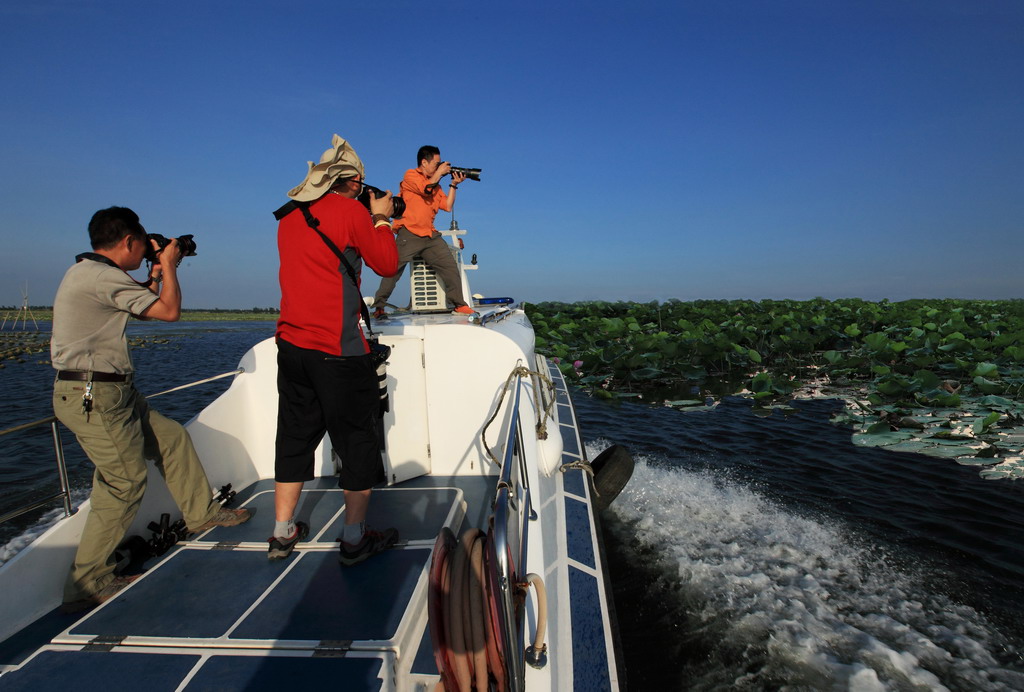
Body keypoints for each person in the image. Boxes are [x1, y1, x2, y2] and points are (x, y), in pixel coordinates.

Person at [51, 207, 251, 613]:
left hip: (114, 391)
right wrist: (170, 266)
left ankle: (201, 514)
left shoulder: (90, 272)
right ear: (128, 242)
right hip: (96, 395)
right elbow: (168, 311)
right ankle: (87, 582)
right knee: (124, 482)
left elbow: (137, 298)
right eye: (142, 246)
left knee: (173, 439)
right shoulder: (101, 276)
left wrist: (156, 271)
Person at [271, 134, 400, 565]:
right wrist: (380, 219)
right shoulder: (350, 211)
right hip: (338, 349)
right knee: (357, 442)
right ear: (356, 183)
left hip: (291, 346)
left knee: (293, 438)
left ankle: (282, 531)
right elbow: (385, 263)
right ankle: (354, 537)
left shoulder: (288, 217)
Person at [370, 145, 475, 318]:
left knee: (450, 267)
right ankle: (379, 306)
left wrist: (454, 185)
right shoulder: (410, 175)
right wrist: (439, 173)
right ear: (424, 162)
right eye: (436, 163)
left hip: (430, 235)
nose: (439, 166)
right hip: (409, 232)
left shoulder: (436, 185)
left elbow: (447, 206)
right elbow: (425, 189)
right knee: (393, 270)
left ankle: (459, 305)